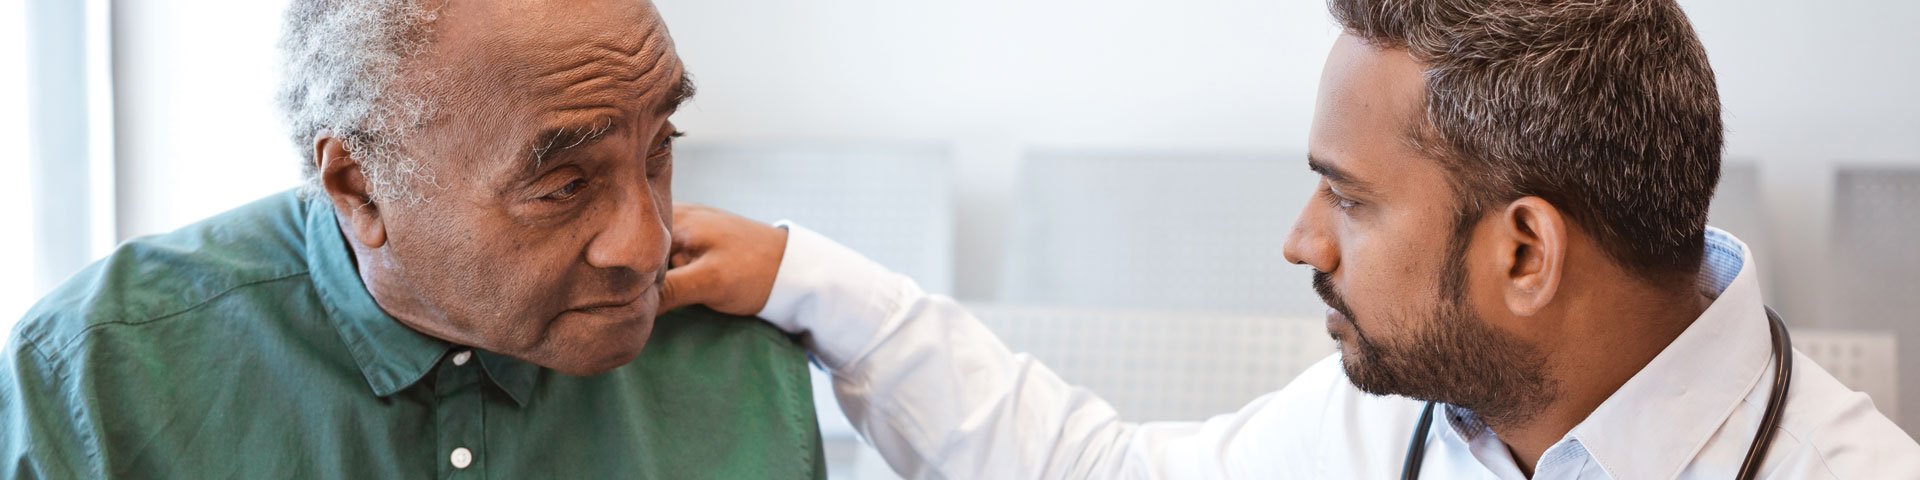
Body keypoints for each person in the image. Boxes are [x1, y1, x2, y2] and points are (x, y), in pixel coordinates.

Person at [658, 0, 1920, 477]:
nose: (1301, 242)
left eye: (1350, 199)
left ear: (1525, 254)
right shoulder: (1401, 424)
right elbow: (1097, 472)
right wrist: (802, 278)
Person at [0, 0, 824, 477]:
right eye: (562, 186)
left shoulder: (736, 351)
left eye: (660, 148)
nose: (647, 246)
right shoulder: (96, 380)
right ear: (360, 188)